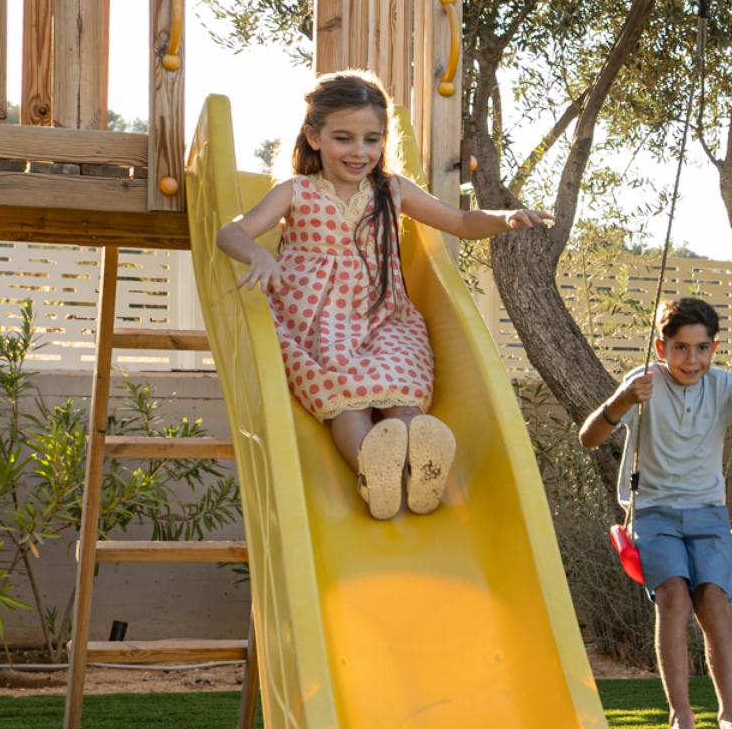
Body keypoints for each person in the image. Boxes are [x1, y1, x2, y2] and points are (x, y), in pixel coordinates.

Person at [214, 70, 543, 520]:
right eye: (344, 138)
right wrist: (257, 255)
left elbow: (461, 223)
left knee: (399, 391)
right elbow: (230, 231)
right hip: (317, 321)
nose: (360, 152)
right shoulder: (296, 192)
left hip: (380, 316)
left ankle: (420, 464)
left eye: (372, 139)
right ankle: (373, 470)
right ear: (313, 136)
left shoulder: (391, 190)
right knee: (346, 398)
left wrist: (504, 218)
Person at [581, 296, 732, 729]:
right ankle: (681, 720)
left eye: (700, 348)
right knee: (674, 600)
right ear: (661, 349)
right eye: (680, 348)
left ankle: (730, 718)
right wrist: (622, 400)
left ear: (713, 350)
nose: (690, 359)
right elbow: (589, 437)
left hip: (708, 516)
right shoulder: (643, 383)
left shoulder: (723, 387)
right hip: (654, 513)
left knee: (714, 601)